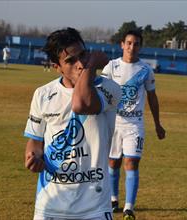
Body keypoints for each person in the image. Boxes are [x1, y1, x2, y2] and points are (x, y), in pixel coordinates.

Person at [23, 27, 121, 220]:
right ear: (56, 67)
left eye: (83, 55)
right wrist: (33, 157)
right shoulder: (43, 95)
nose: (80, 64)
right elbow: (34, 142)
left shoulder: (109, 88)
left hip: (94, 208)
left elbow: (81, 104)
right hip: (50, 205)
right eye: (70, 61)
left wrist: (91, 67)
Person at [101, 30, 166, 220]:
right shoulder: (111, 67)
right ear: (122, 44)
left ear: (140, 46)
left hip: (134, 124)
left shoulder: (145, 70)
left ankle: (129, 208)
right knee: (113, 162)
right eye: (129, 43)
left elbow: (152, 98)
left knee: (132, 162)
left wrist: (157, 124)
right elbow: (101, 93)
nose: (132, 47)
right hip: (114, 122)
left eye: (136, 43)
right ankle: (113, 200)